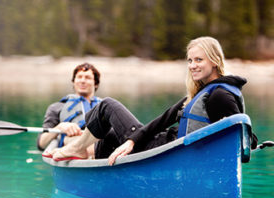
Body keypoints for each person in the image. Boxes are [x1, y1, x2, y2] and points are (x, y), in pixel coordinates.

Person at [44, 36, 257, 165]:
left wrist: (134, 141)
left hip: (164, 151)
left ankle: (76, 149)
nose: (192, 65)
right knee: (108, 136)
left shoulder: (219, 95)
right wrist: (133, 140)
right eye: (190, 60)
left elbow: (243, 136)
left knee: (107, 106)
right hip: (160, 145)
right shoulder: (204, 93)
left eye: (198, 60)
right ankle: (87, 156)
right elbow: (163, 120)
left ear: (215, 61)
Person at [37, 62, 102, 151]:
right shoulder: (56, 108)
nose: (82, 81)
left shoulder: (106, 108)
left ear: (96, 83)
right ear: (74, 81)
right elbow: (41, 144)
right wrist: (60, 127)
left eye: (88, 78)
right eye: (79, 77)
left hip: (103, 146)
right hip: (71, 145)